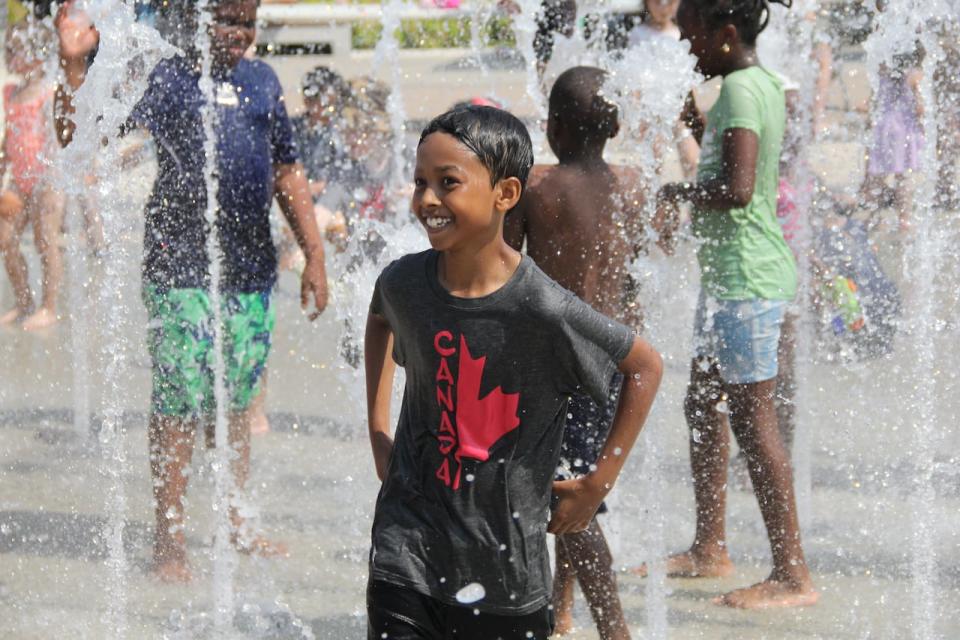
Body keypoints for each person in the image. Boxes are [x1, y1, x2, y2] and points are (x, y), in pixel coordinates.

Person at [55, 0, 330, 582]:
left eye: (246, 21)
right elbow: (82, 135)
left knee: (233, 404)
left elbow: (286, 170)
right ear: (191, 18)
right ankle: (170, 537)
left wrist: (315, 255)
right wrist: (75, 67)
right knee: (178, 406)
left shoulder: (261, 80)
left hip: (250, 272)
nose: (237, 33)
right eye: (224, 19)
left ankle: (234, 518)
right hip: (177, 268)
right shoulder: (165, 75)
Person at [364, 105, 663, 640]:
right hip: (405, 551)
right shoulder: (405, 282)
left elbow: (644, 367)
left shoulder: (543, 308)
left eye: (448, 183)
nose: (427, 200)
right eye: (420, 182)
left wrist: (598, 483)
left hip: (505, 570)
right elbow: (380, 315)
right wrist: (377, 429)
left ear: (505, 194)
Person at [650, 0, 818, 609]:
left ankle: (792, 574)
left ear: (725, 33)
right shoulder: (747, 86)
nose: (685, 42)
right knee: (704, 404)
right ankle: (709, 546)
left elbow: (738, 188)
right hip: (729, 278)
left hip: (749, 277)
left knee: (753, 419)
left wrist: (673, 191)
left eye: (692, 31)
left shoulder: (745, 91)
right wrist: (688, 124)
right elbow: (726, 157)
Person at [504, 66, 653, 640]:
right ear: (613, 129)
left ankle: (615, 630)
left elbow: (506, 274)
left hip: (557, 363)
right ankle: (560, 612)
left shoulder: (537, 187)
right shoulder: (634, 186)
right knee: (576, 481)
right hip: (616, 358)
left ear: (555, 127)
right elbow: (635, 272)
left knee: (567, 496)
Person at [0, 20, 64, 330]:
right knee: (5, 239)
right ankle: (24, 301)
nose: (9, 56)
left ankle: (49, 307)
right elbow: (8, 135)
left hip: (47, 179)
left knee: (45, 240)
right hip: (19, 179)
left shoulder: (48, 92)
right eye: (7, 50)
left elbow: (59, 138)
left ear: (38, 56)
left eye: (16, 51)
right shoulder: (10, 92)